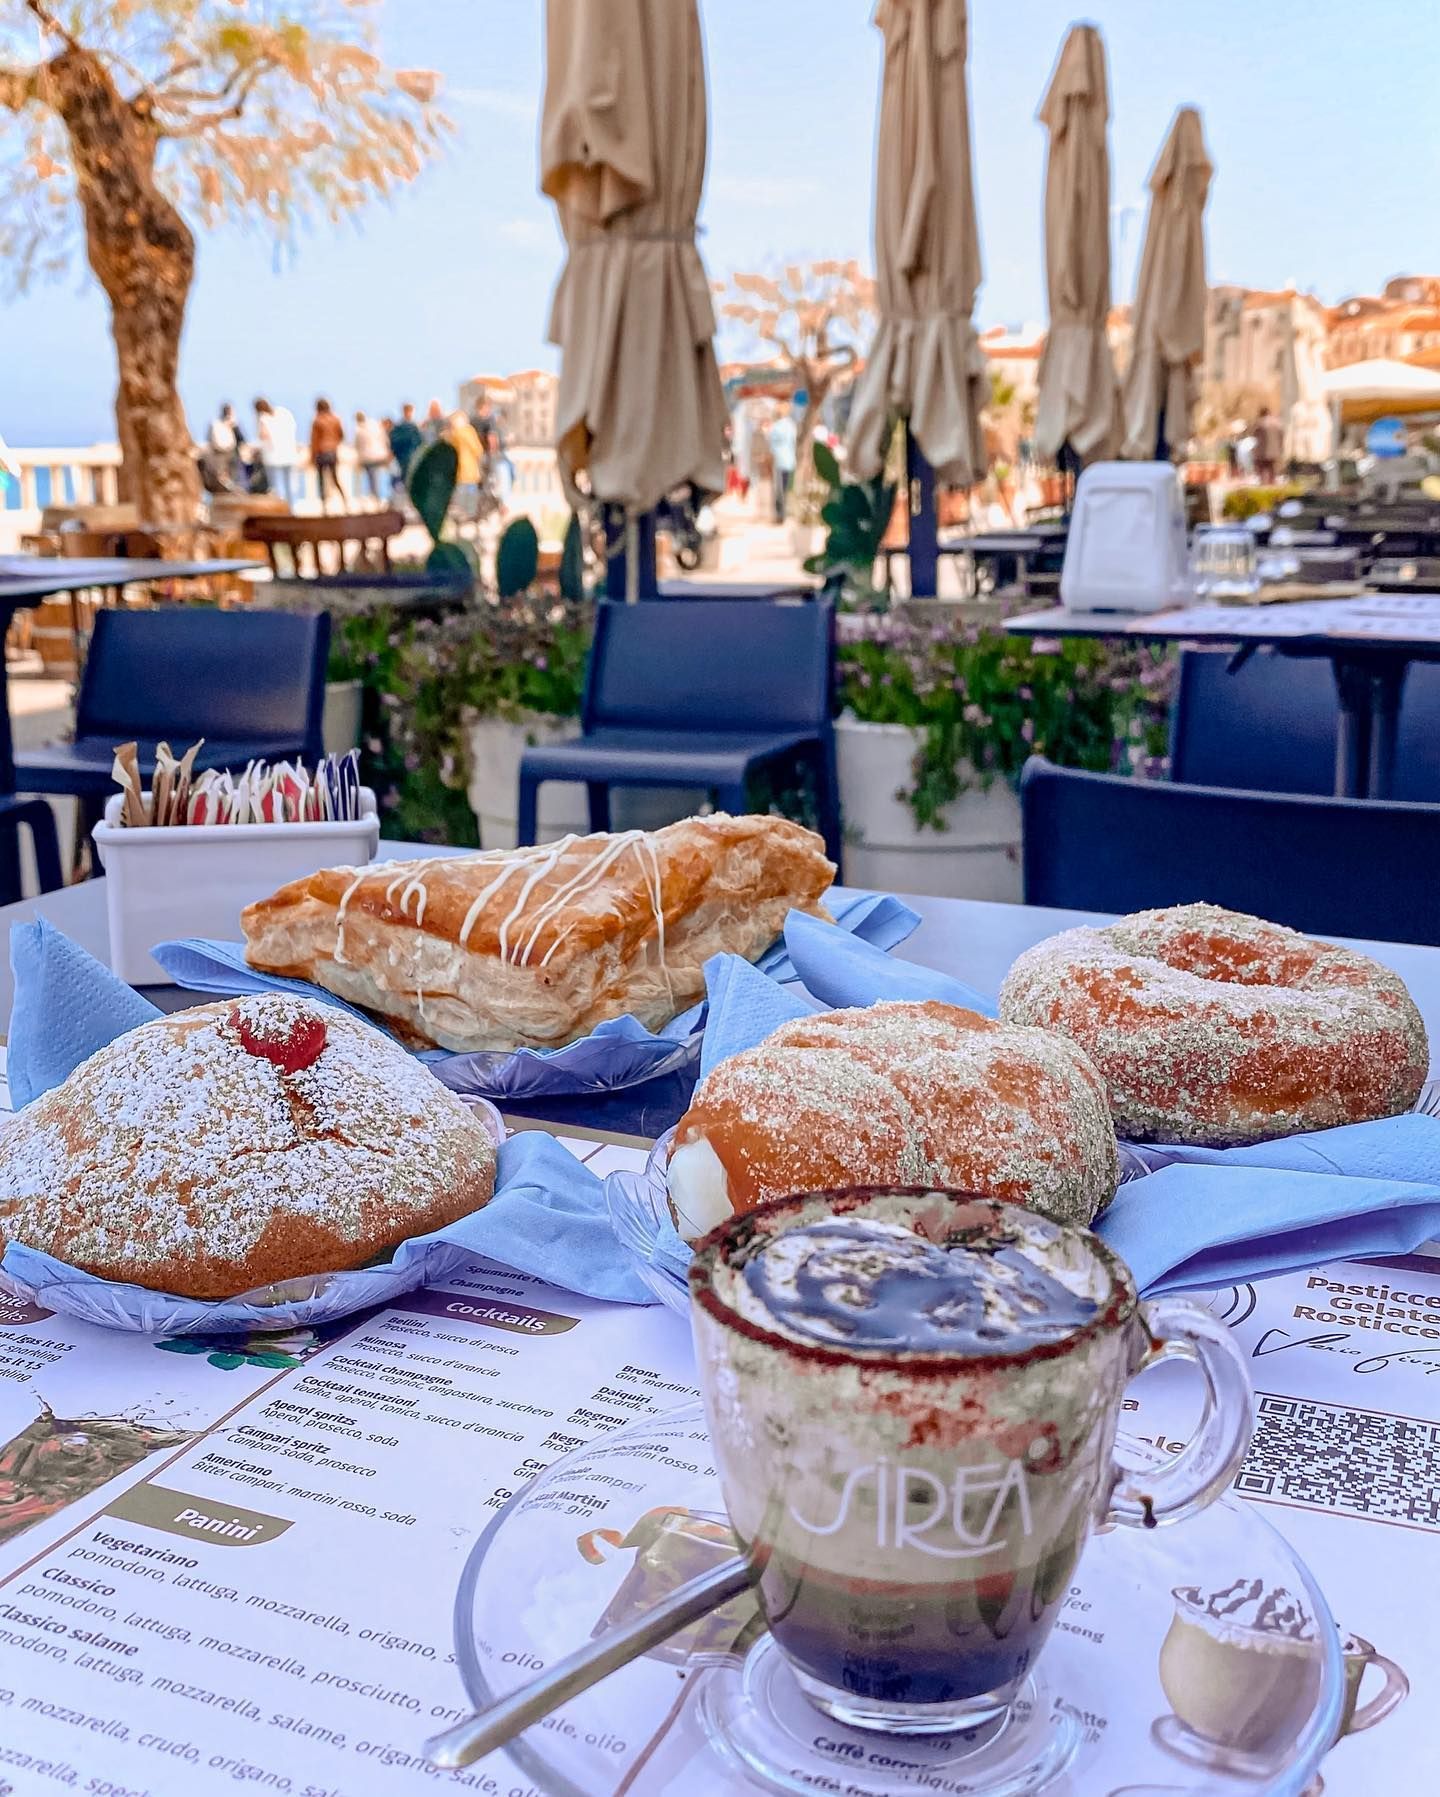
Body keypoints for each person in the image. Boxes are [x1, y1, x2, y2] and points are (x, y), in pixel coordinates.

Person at [254, 397, 299, 507]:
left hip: (273, 457)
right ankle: (293, 510)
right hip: (289, 454)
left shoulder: (263, 418)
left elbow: (264, 436)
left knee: (278, 486)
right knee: (291, 485)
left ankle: (282, 509)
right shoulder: (284, 413)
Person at [309, 397, 346, 512]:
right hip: (332, 452)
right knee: (335, 478)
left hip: (321, 452)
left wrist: (312, 456)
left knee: (321, 480)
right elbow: (341, 435)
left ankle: (324, 505)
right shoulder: (335, 419)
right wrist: (334, 444)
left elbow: (314, 440)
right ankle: (344, 501)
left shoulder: (317, 421)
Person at [354, 410, 391, 503]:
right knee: (378, 476)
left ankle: (375, 496)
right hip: (380, 455)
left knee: (372, 477)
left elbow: (358, 445)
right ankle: (381, 496)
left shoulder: (359, 429)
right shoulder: (375, 425)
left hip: (368, 457)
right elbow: (384, 439)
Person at [206, 403, 244, 490]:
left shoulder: (215, 423)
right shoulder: (230, 423)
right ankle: (231, 490)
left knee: (225, 474)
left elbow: (209, 438)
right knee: (229, 474)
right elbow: (241, 439)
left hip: (221, 452)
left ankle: (230, 490)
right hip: (227, 452)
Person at [769, 409, 798, 522]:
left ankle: (780, 514)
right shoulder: (791, 425)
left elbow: (771, 445)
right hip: (790, 461)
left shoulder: (776, 426)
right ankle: (786, 512)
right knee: (787, 489)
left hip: (779, 461)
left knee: (779, 490)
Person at [389, 402, 423, 490]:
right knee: (407, 479)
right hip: (405, 457)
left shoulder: (413, 426)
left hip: (412, 456)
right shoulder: (402, 427)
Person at [1253, 407, 1284, 486]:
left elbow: (1255, 436)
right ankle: (1272, 483)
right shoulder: (1277, 423)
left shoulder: (1260, 423)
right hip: (1275, 450)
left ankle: (1264, 483)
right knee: (1273, 469)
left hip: (1263, 450)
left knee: (1263, 469)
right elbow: (1281, 436)